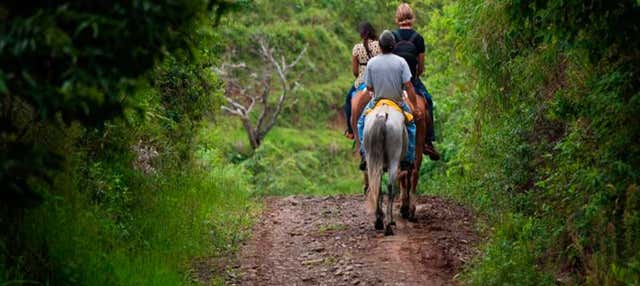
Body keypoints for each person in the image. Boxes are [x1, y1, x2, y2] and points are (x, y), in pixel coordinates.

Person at [357, 30, 422, 171]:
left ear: (380, 46)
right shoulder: (401, 62)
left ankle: (363, 153)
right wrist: (415, 107)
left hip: (377, 101)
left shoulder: (372, 63)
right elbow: (409, 86)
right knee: (411, 126)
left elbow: (369, 87)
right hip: (397, 102)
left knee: (361, 123)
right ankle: (409, 159)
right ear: (394, 45)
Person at [392, 3, 440, 160]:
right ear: (412, 18)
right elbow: (421, 68)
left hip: (395, 83)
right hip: (412, 80)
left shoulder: (392, 37)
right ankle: (428, 142)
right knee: (428, 102)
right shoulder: (418, 39)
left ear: (397, 18)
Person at [344, 22, 381, 140]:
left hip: (362, 81)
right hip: (378, 81)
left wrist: (361, 74)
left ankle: (350, 131)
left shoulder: (357, 48)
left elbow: (355, 71)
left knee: (348, 100)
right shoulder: (379, 45)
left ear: (361, 34)